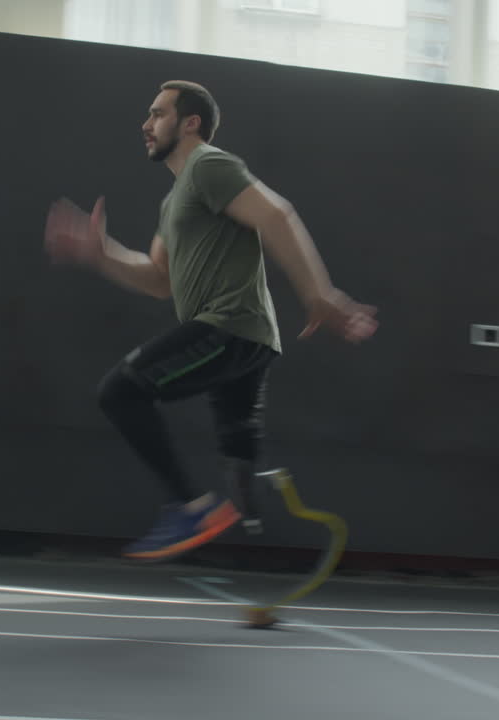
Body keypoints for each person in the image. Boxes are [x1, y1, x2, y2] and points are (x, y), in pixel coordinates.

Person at [44, 80, 377, 562]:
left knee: (120, 390)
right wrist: (102, 254)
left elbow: (277, 216)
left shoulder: (209, 165)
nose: (146, 123)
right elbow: (161, 280)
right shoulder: (176, 198)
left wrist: (319, 295)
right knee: (238, 460)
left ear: (190, 122)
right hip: (250, 339)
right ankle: (262, 516)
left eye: (158, 113)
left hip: (228, 327)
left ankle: (189, 509)